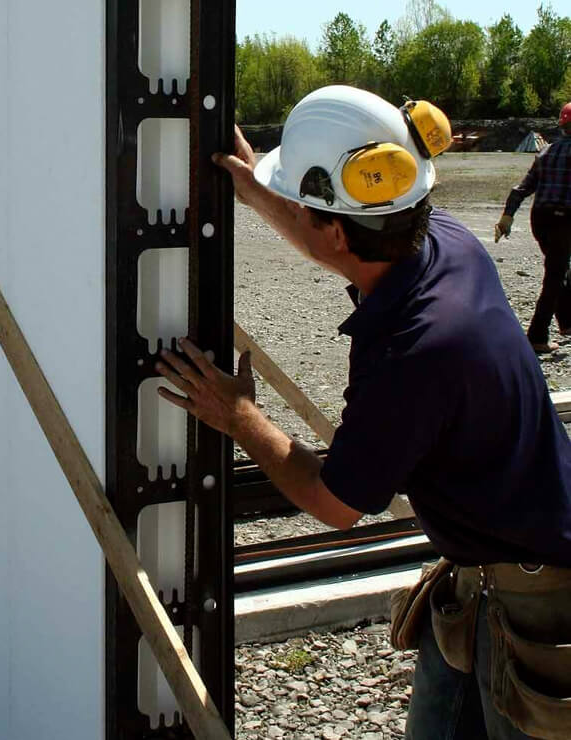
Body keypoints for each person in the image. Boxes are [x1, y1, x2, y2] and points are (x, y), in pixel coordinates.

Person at [155, 85, 571, 739]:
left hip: (541, 607)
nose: (294, 212)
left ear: (339, 228)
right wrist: (253, 181)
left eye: (301, 203)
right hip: (483, 581)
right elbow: (336, 236)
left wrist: (240, 419)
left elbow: (334, 502)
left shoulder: (417, 350)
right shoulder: (442, 243)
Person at [494, 103, 571, 354]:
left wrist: (507, 216)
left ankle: (567, 322)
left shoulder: (546, 152)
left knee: (559, 267)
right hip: (564, 220)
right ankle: (537, 336)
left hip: (541, 219)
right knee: (555, 276)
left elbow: (521, 189)